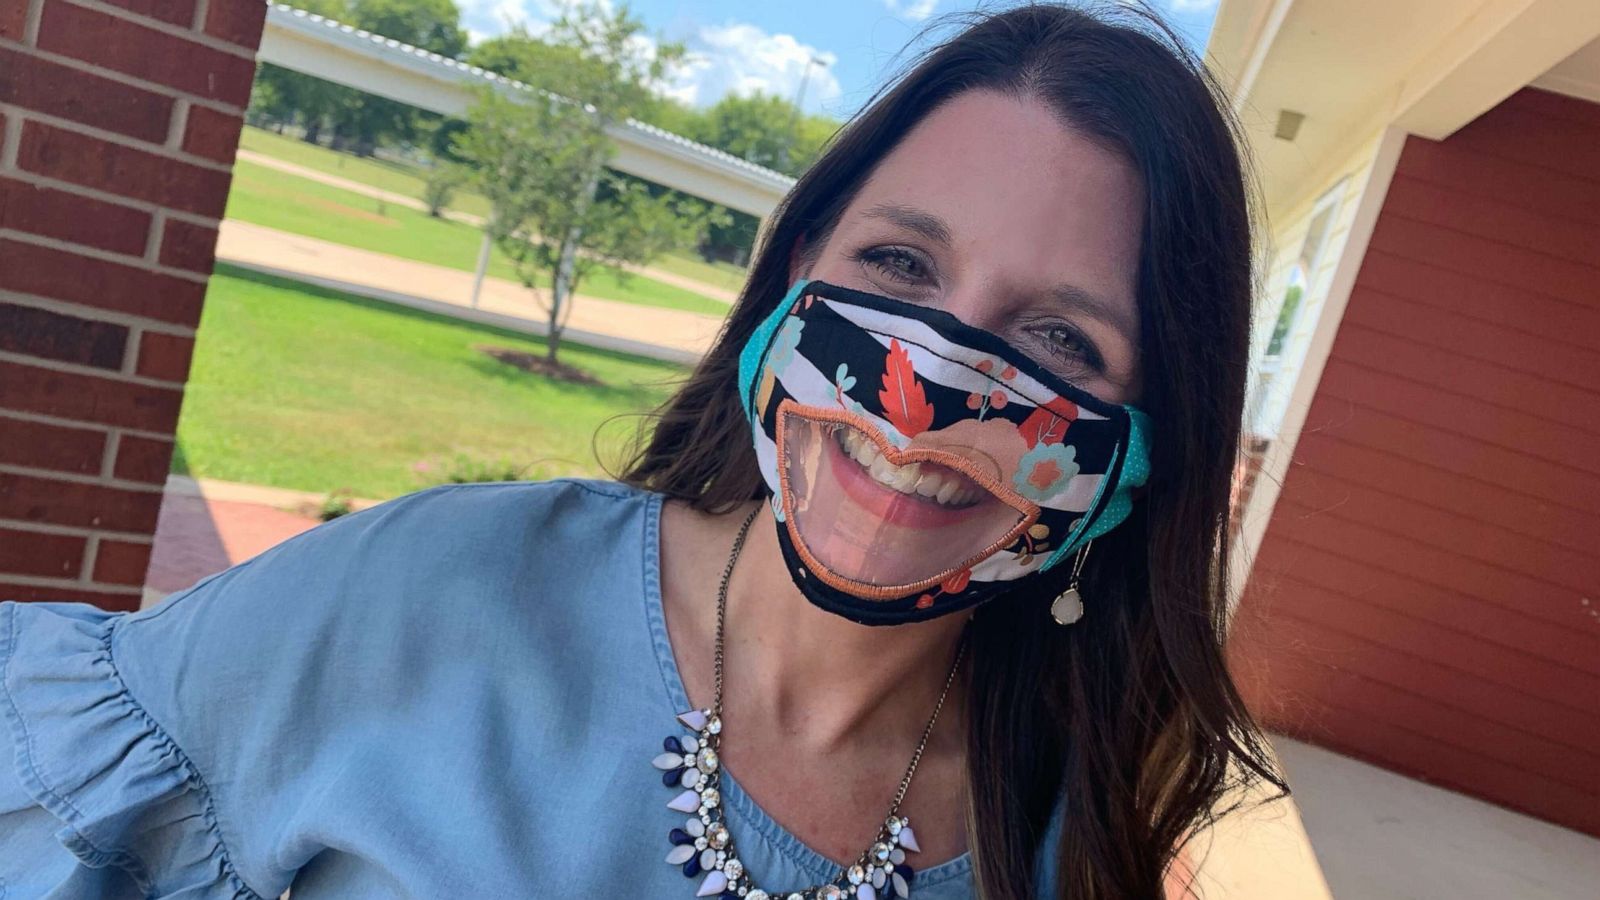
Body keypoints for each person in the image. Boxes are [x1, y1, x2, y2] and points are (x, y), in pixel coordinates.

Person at [0, 4, 1286, 898]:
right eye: (898, 265)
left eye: (1058, 338)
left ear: (1142, 454)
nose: (918, 391)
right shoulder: (441, 594)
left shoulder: (1069, 831)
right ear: (793, 279)